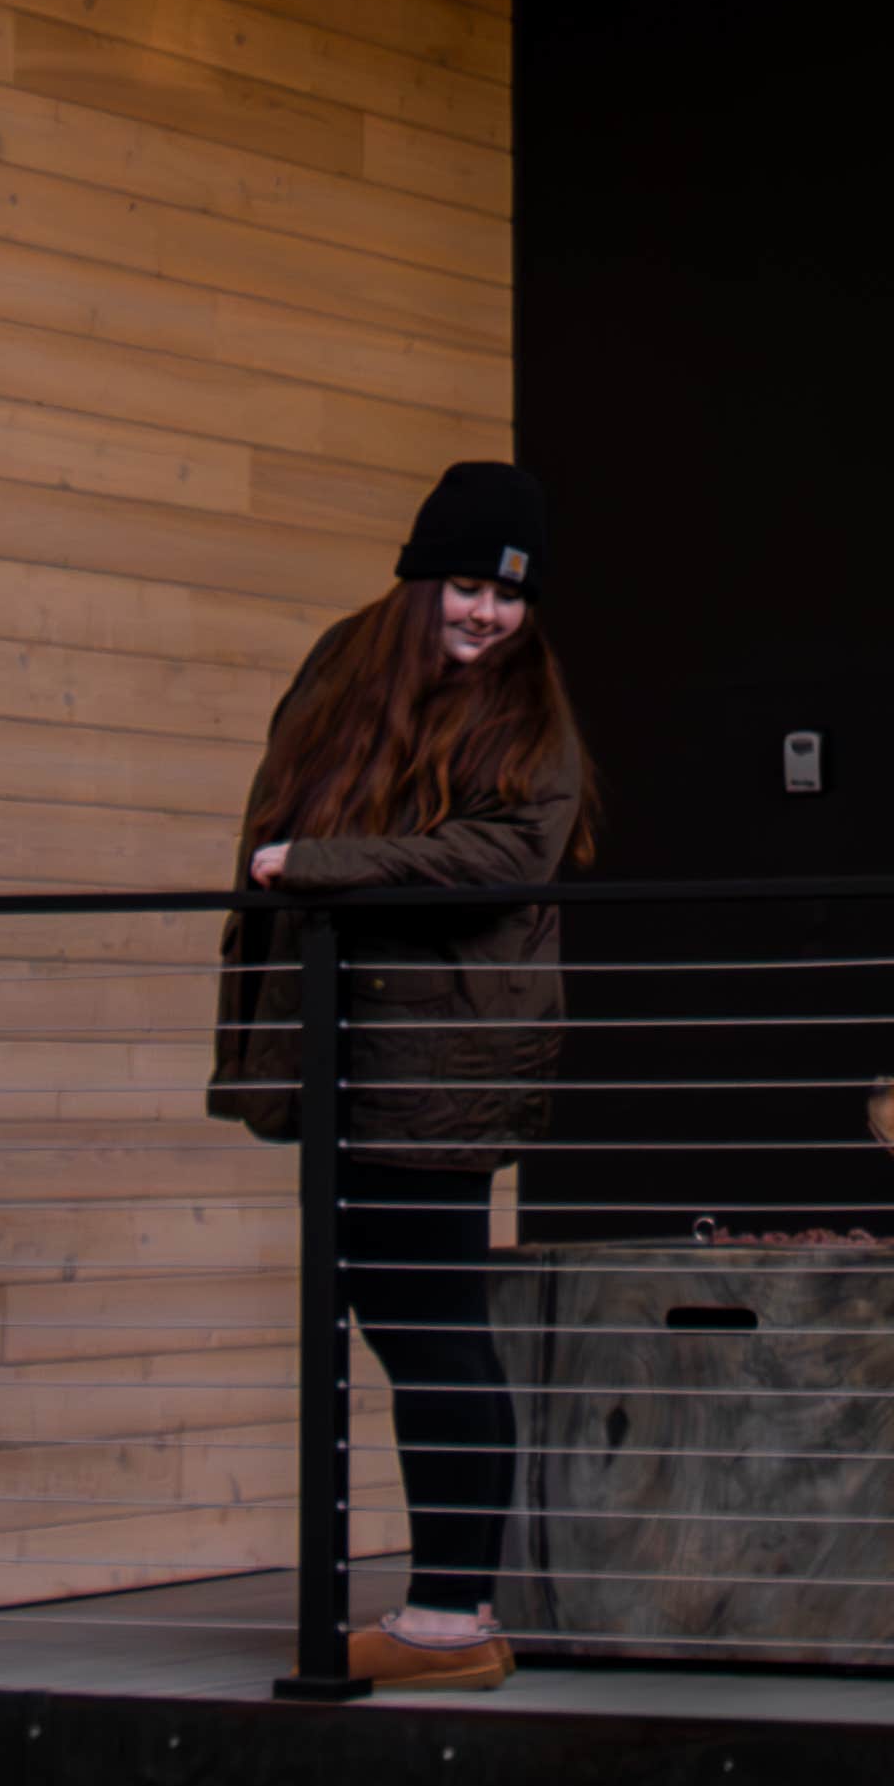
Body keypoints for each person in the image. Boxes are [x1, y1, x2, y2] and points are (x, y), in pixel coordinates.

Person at [207, 460, 592, 1692]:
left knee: (427, 1324)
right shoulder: (345, 665)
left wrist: (321, 863)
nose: (487, 614)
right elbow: (271, 829)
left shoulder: (531, 709)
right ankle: (444, 1610)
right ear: (421, 576)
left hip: (445, 1053)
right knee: (398, 1317)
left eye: (510, 596)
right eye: (468, 586)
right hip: (350, 1043)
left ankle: (447, 1620)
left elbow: (504, 855)